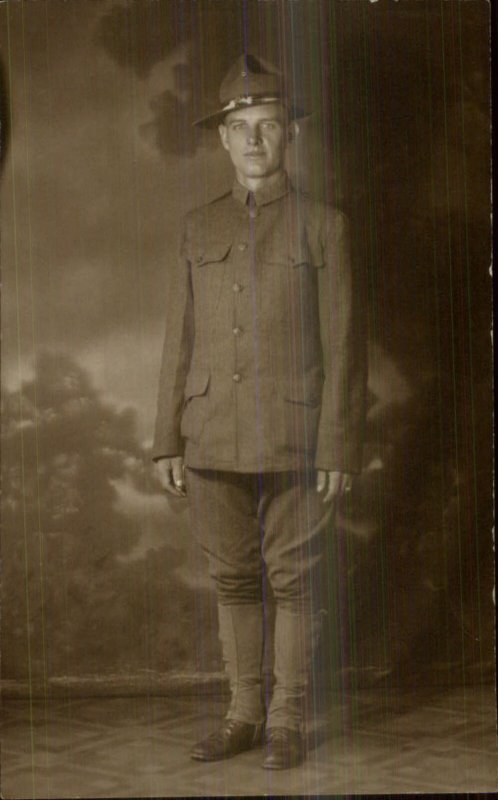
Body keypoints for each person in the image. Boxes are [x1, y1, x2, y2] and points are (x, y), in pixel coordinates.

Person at [153, 53, 367, 770]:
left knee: (295, 581)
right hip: (209, 434)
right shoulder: (195, 227)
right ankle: (242, 715)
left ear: (291, 136)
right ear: (222, 140)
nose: (253, 140)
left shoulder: (324, 225)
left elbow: (344, 344)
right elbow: (177, 340)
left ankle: (286, 722)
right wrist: (165, 441)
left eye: (267, 125)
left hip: (296, 436)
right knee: (233, 581)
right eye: (240, 127)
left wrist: (337, 444)